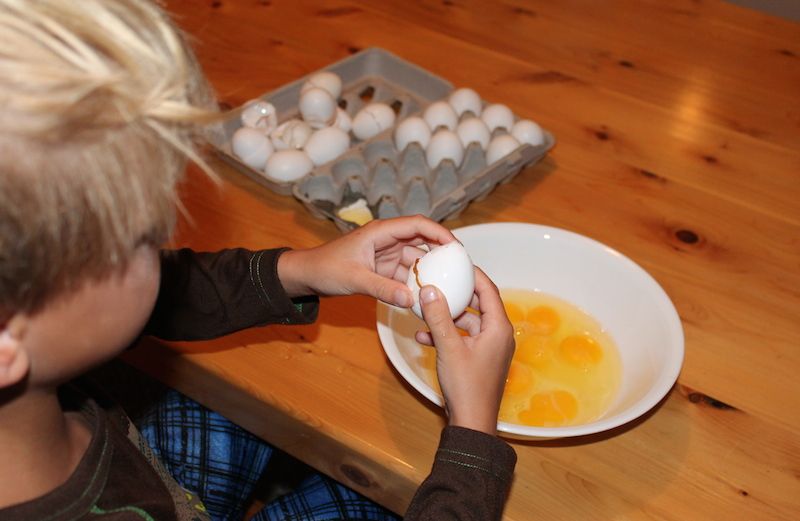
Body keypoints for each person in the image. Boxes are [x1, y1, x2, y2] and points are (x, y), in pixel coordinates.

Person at [0, 1, 516, 520]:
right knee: (376, 494)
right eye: (140, 241)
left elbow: (161, 297)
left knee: (268, 421)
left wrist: (300, 269)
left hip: (132, 459)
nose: (164, 240)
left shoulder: (36, 373)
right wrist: (472, 438)